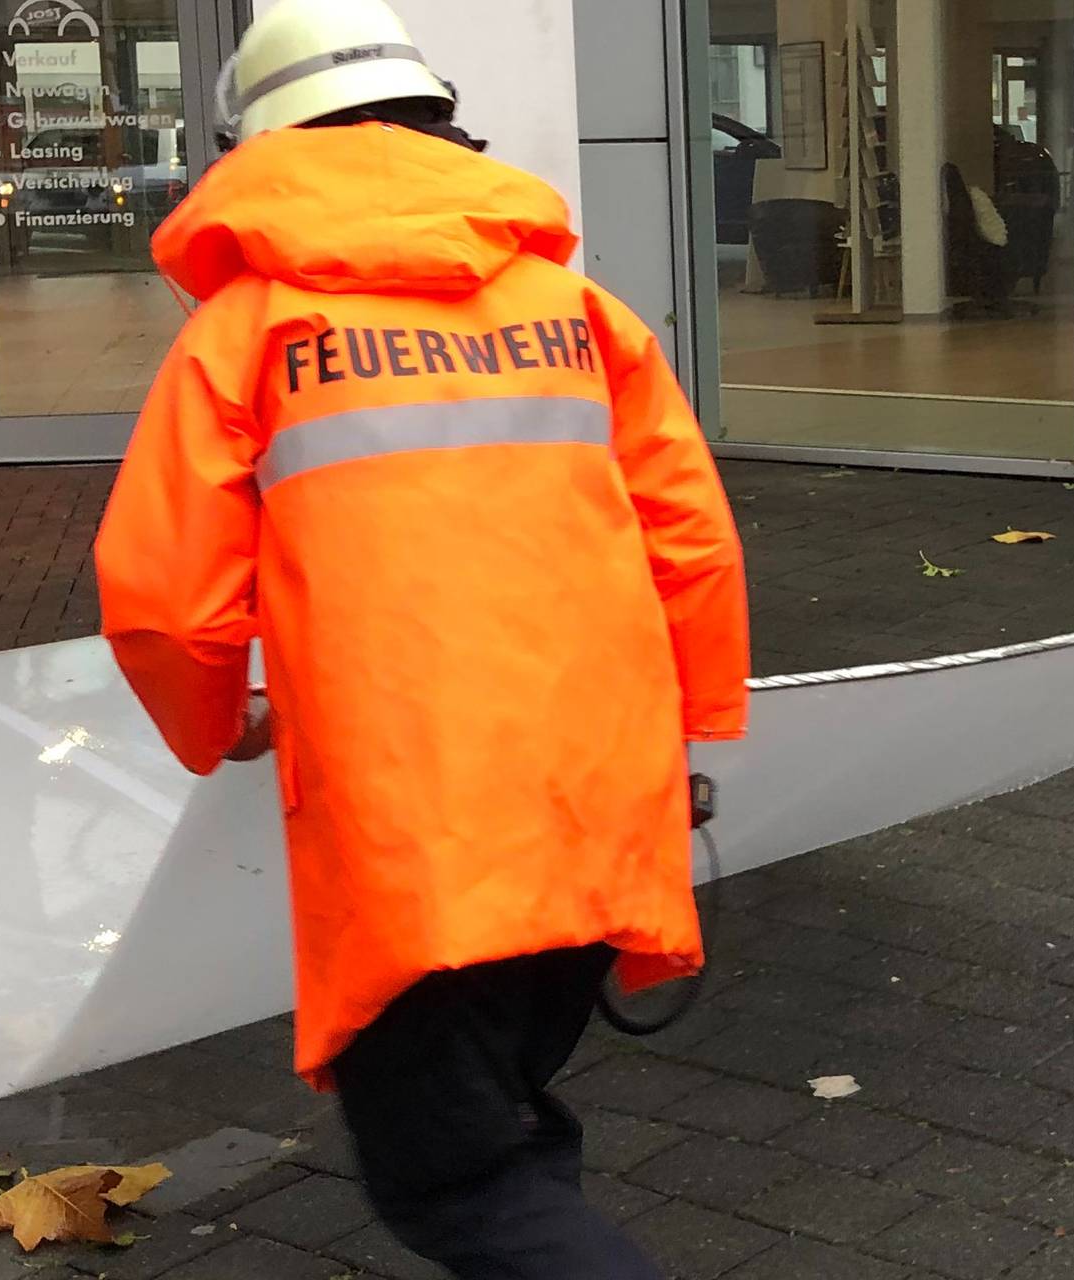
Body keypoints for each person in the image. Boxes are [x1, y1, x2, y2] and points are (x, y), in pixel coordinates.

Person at [92, 1, 751, 1273]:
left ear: (258, 150)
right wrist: (692, 726)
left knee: (457, 1178)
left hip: (415, 840)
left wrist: (216, 718)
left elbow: (165, 597)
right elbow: (694, 544)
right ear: (444, 126)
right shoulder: (580, 313)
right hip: (596, 803)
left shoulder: (247, 334)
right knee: (509, 1111)